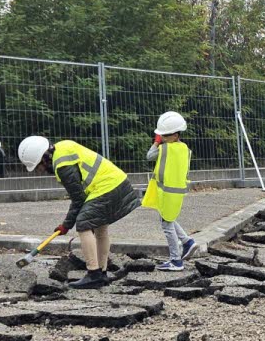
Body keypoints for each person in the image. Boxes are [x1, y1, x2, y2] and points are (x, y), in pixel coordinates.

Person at [18, 136, 140, 289]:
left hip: (106, 186)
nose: (40, 171)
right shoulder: (63, 147)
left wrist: (66, 225)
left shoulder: (62, 165)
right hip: (117, 181)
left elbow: (78, 199)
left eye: (38, 167)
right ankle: (102, 274)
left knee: (83, 223)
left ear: (43, 158)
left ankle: (93, 274)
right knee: (100, 227)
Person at [143, 111, 198, 271]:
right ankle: (187, 242)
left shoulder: (165, 149)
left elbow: (149, 156)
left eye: (164, 136)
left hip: (166, 192)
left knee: (167, 224)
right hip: (176, 191)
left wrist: (156, 142)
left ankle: (176, 260)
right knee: (169, 217)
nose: (162, 138)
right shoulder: (184, 148)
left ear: (175, 135)